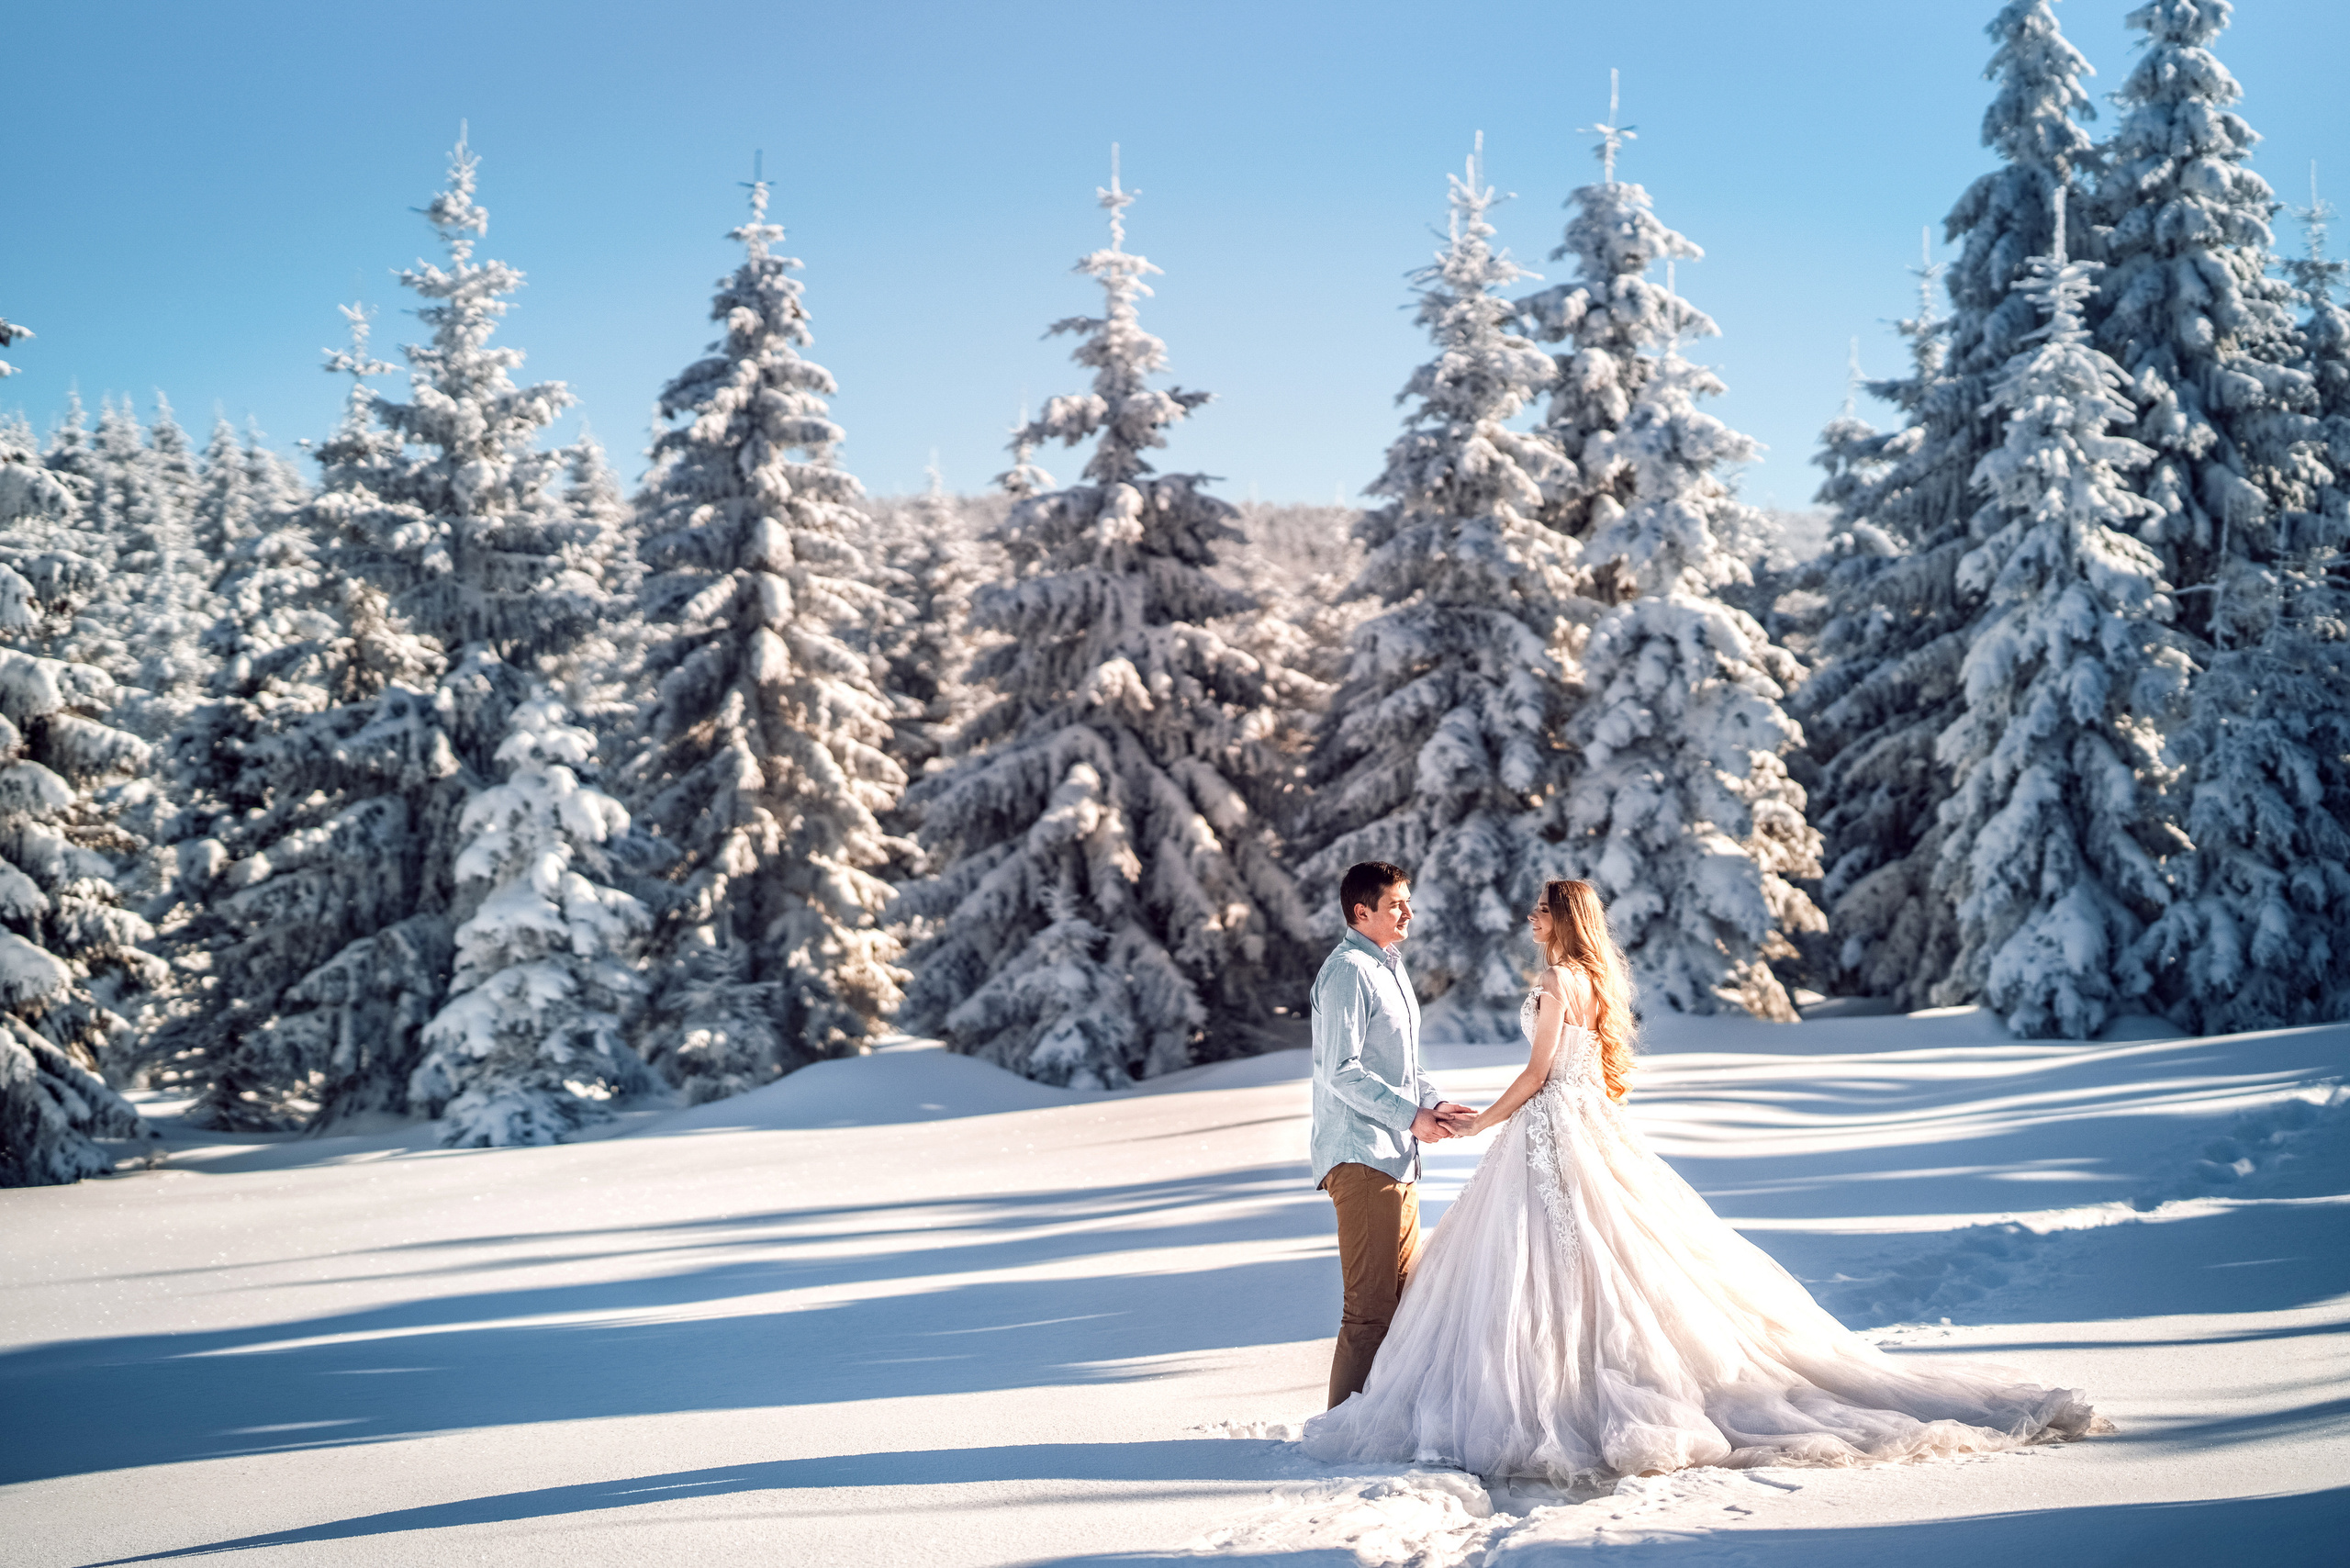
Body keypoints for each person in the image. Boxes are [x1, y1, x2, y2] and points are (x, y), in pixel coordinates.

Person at [1302, 878, 2111, 1484]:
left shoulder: (1553, 983)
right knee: (1590, 1263)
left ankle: (1550, 1394)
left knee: (1548, 1267)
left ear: (1559, 921)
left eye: (1538, 912)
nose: (1529, 921)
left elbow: (1540, 1072)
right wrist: (1443, 1109)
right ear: (1362, 913)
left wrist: (1479, 1121)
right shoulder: (1586, 980)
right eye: (1396, 904)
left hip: (1548, 1130)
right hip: (1570, 1130)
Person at [1309, 861, 1476, 1409]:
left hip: (1396, 1159)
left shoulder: (1389, 968)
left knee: (1401, 1306)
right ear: (1362, 912)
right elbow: (1342, 1070)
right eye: (1396, 904)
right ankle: (1339, 1433)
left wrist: (1431, 1103)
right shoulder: (1347, 971)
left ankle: (1381, 1423)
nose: (1409, 911)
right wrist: (1409, 1116)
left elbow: (1400, 1065)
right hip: (1361, 1157)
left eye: (1408, 901)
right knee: (1369, 1309)